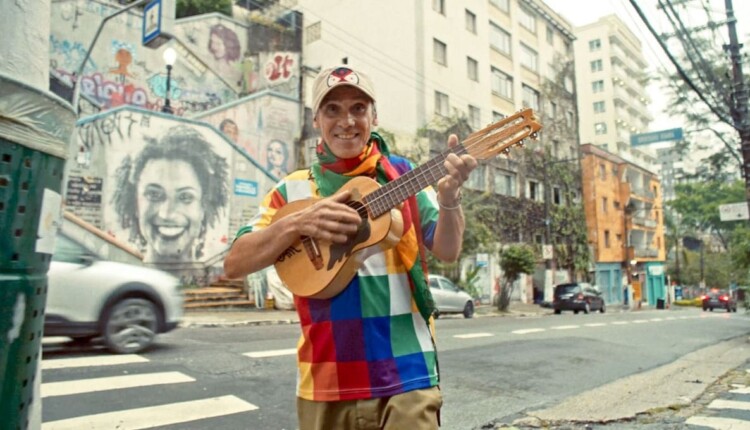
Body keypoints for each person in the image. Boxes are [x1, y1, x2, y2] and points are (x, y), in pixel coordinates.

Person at [224, 65, 477, 429]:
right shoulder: (291, 191)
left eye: (358, 108)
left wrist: (450, 199)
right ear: (317, 120)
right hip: (326, 379)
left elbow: (448, 249)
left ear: (374, 117)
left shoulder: (402, 175)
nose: (347, 121)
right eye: (333, 110)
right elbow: (235, 262)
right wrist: (298, 222)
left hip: (409, 373)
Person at [112, 125, 229, 264]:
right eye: (153, 195)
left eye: (185, 197)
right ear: (135, 204)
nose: (167, 214)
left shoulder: (215, 281)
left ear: (203, 207)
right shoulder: (125, 279)